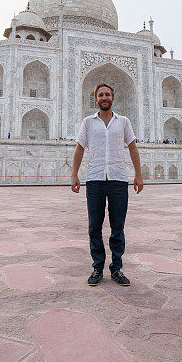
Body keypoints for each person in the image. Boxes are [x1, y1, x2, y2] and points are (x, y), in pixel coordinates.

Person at [71, 83, 143, 288]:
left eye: (108, 94)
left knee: (117, 226)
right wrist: (74, 174)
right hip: (94, 179)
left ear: (113, 97)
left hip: (118, 179)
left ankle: (117, 268)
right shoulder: (88, 122)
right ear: (96, 99)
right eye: (101, 95)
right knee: (94, 226)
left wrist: (138, 175)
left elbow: (133, 148)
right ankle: (97, 267)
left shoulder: (123, 122)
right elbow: (79, 148)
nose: (104, 97)